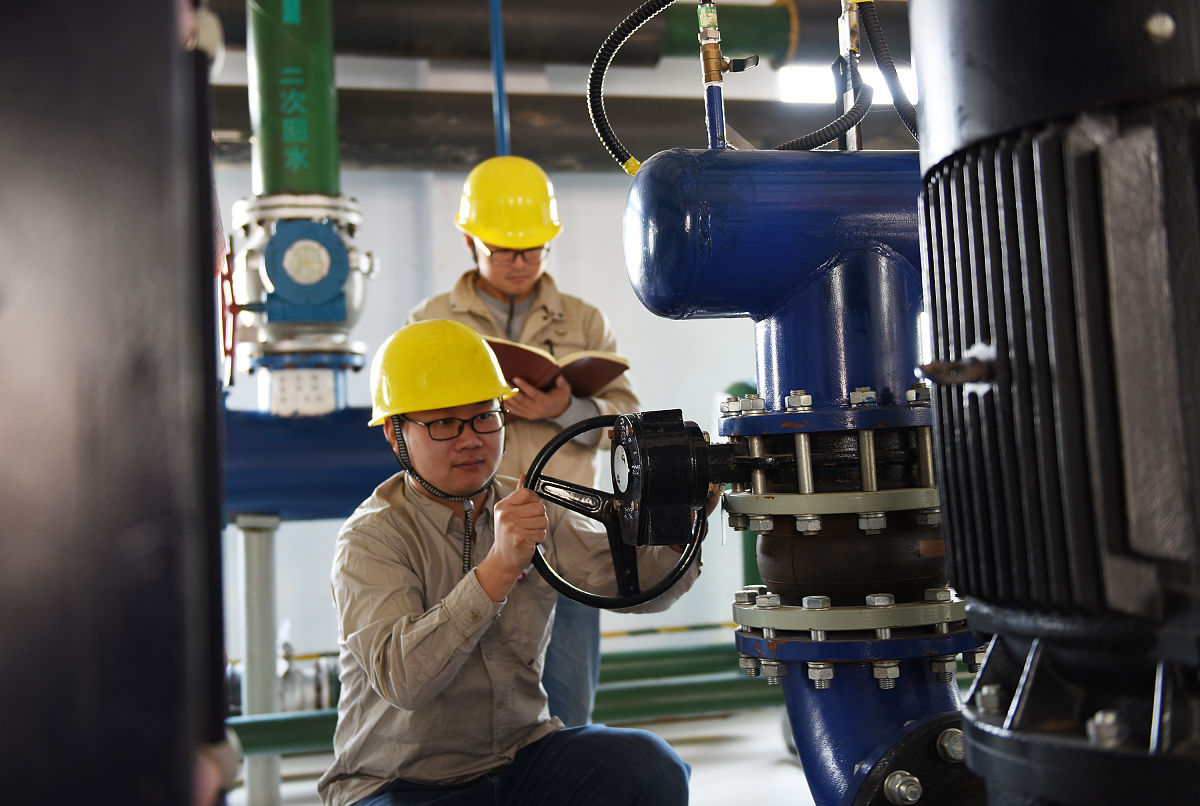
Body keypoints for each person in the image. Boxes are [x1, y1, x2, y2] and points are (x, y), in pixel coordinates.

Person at [317, 320, 699, 806]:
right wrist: (498, 567)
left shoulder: (533, 507)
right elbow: (404, 682)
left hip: (518, 760)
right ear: (396, 436)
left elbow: (639, 591)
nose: (470, 440)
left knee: (649, 767)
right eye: (443, 423)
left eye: (484, 416)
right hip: (401, 783)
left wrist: (681, 522)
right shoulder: (371, 539)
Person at [406, 155, 639, 727]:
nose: (519, 262)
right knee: (466, 707)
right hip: (464, 540)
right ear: (470, 241)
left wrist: (566, 409)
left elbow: (627, 422)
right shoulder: (432, 323)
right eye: (504, 250)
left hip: (564, 537)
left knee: (568, 707)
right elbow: (408, 426)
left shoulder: (583, 321)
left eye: (532, 250)